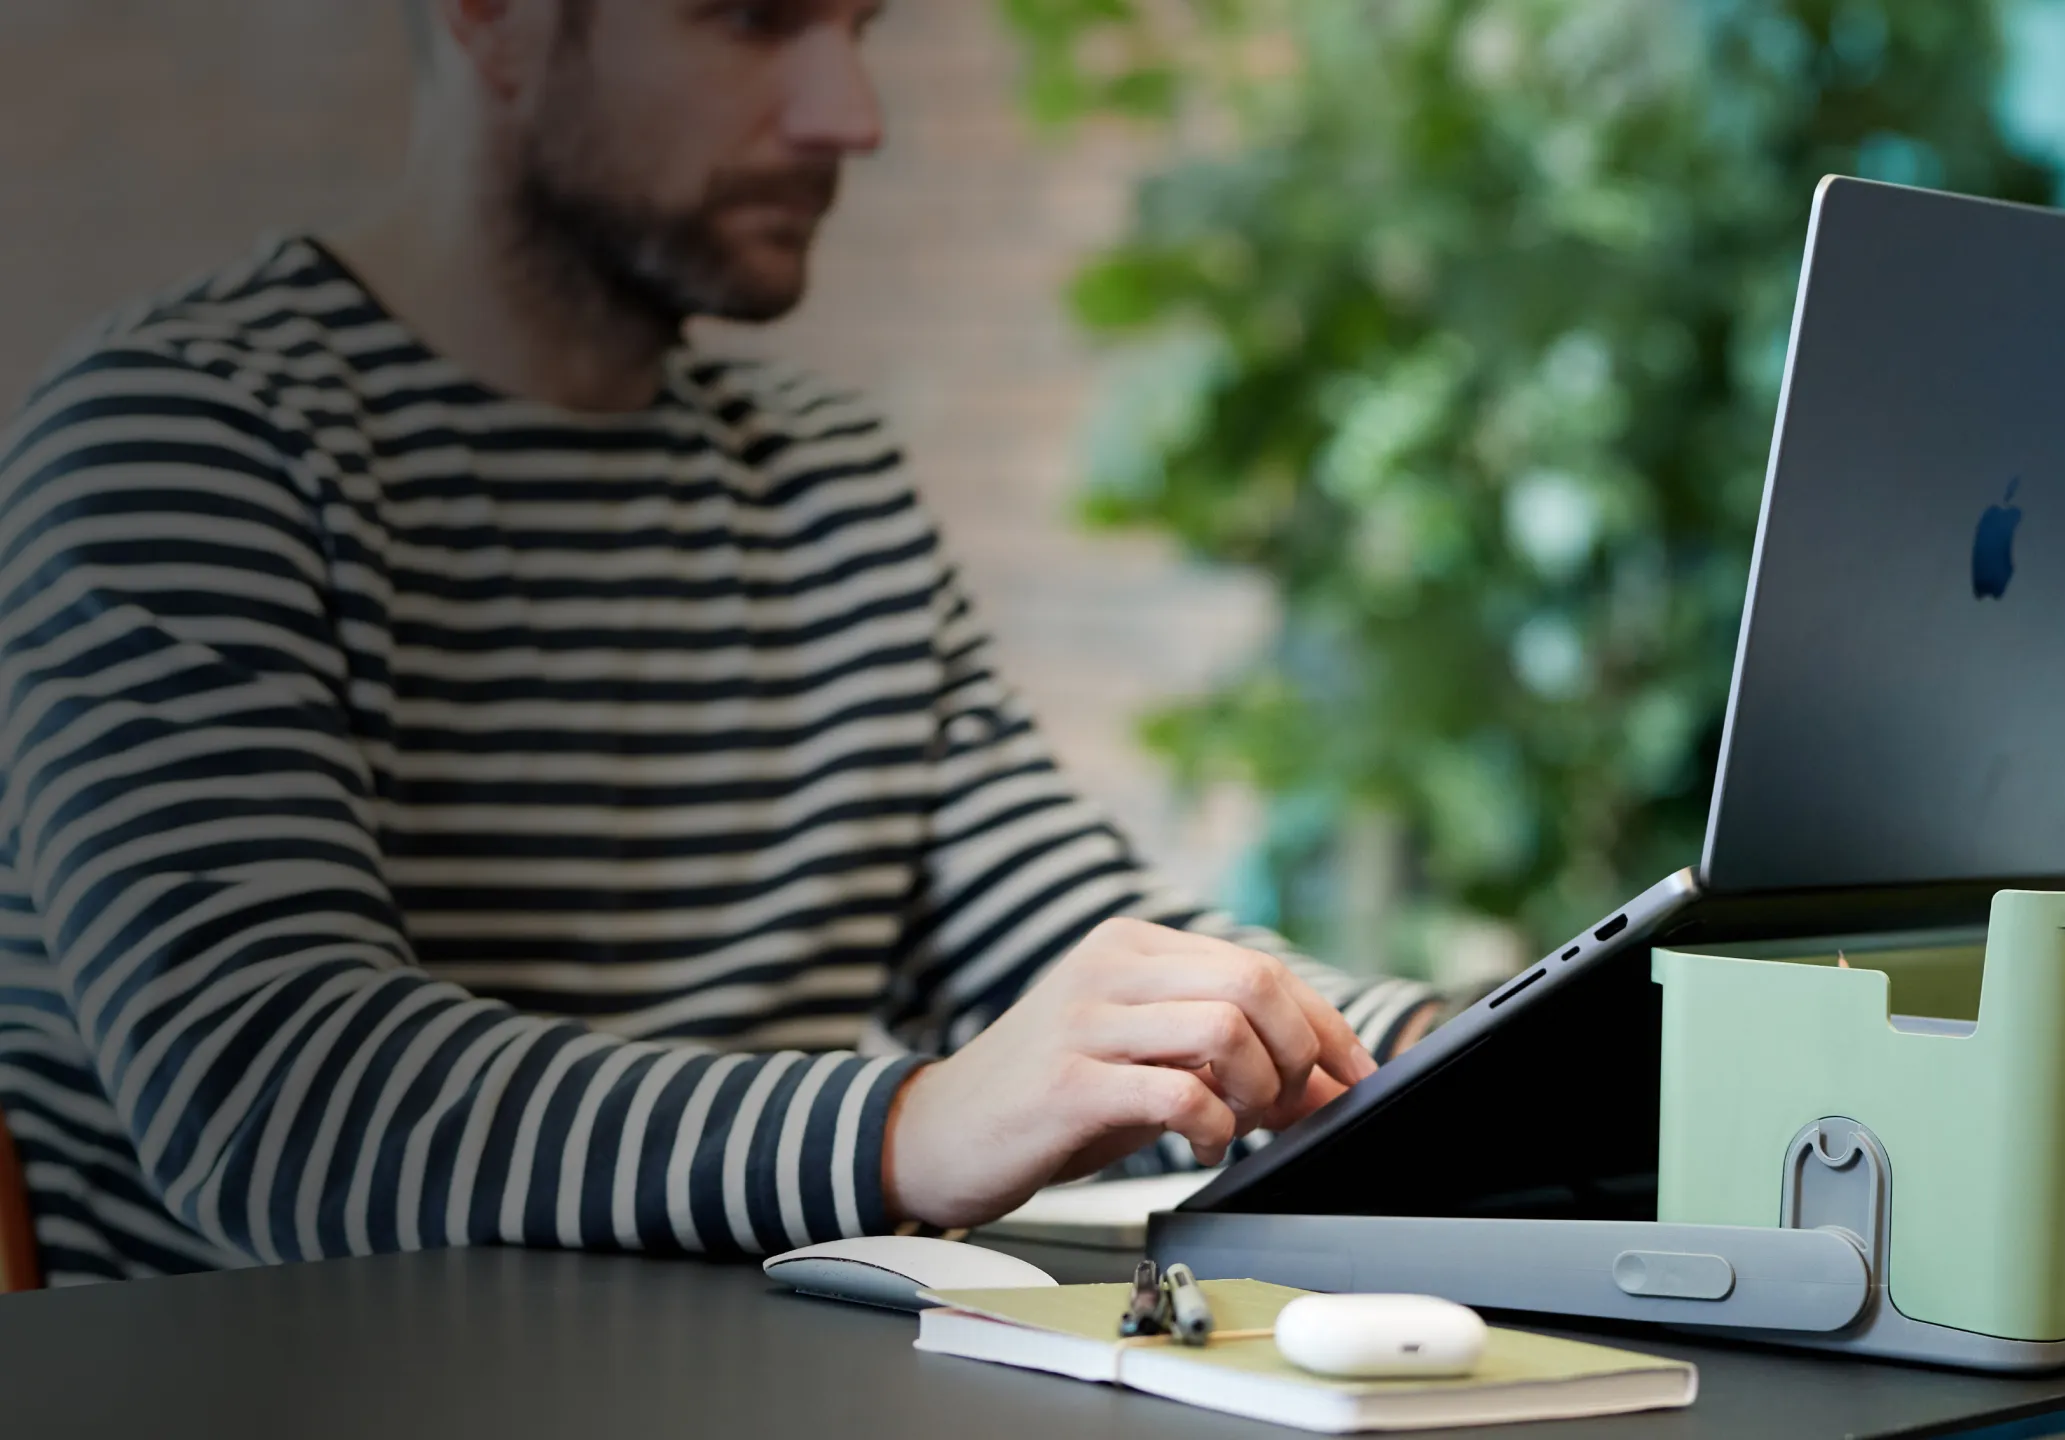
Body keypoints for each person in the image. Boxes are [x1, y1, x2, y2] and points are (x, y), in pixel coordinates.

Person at [0, 0, 1437, 1286]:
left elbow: (1067, 937)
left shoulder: (827, 484)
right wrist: (911, 1128)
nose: (850, 116)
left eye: (859, 29)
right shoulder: (178, 443)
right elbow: (276, 1103)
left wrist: (1450, 1053)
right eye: (753, 20)